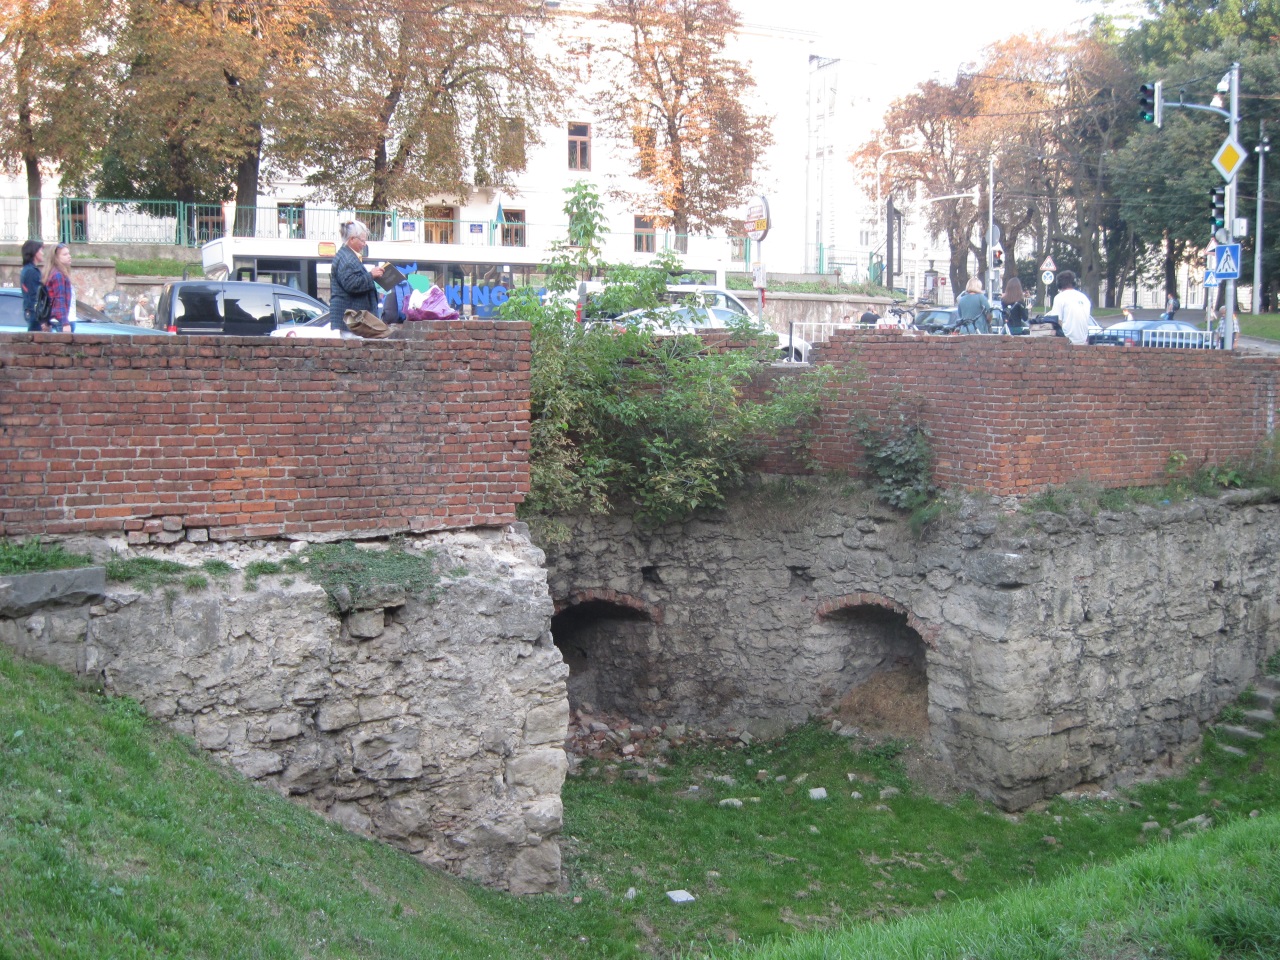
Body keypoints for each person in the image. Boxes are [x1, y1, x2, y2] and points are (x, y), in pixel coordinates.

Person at [328, 220, 384, 330]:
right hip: (350, 321)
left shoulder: (346, 255)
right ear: (352, 239)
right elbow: (352, 284)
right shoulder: (347, 259)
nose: (364, 244)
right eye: (363, 241)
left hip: (351, 320)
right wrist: (371, 275)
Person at [1051, 269, 1092, 345]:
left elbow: (1056, 321)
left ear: (1058, 284)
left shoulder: (1059, 297)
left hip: (1067, 341)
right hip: (1083, 341)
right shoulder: (1084, 298)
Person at [42, 243, 75, 334]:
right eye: (65, 254)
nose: (69, 256)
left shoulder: (54, 272)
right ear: (56, 258)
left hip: (58, 319)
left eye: (69, 253)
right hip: (62, 320)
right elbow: (59, 298)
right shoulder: (58, 274)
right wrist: (65, 323)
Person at [20, 239, 45, 331]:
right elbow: (34, 296)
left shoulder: (29, 269)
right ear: (34, 252)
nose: (42, 253)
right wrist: (42, 319)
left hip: (34, 314)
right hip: (35, 315)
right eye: (40, 250)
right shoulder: (31, 271)